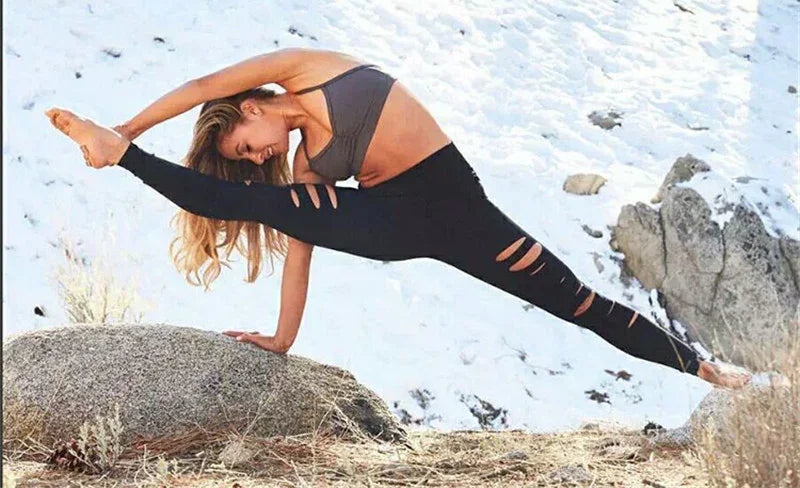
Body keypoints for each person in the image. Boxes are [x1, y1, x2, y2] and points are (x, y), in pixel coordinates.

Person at [45, 47, 751, 389]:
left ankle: (708, 371)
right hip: (391, 221)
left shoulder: (306, 67)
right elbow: (301, 243)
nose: (260, 156)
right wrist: (283, 339)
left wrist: (129, 121)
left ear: (250, 107)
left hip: (462, 212)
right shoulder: (308, 170)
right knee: (248, 202)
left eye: (246, 145)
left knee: (578, 302)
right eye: (251, 158)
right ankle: (121, 156)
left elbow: (202, 84)